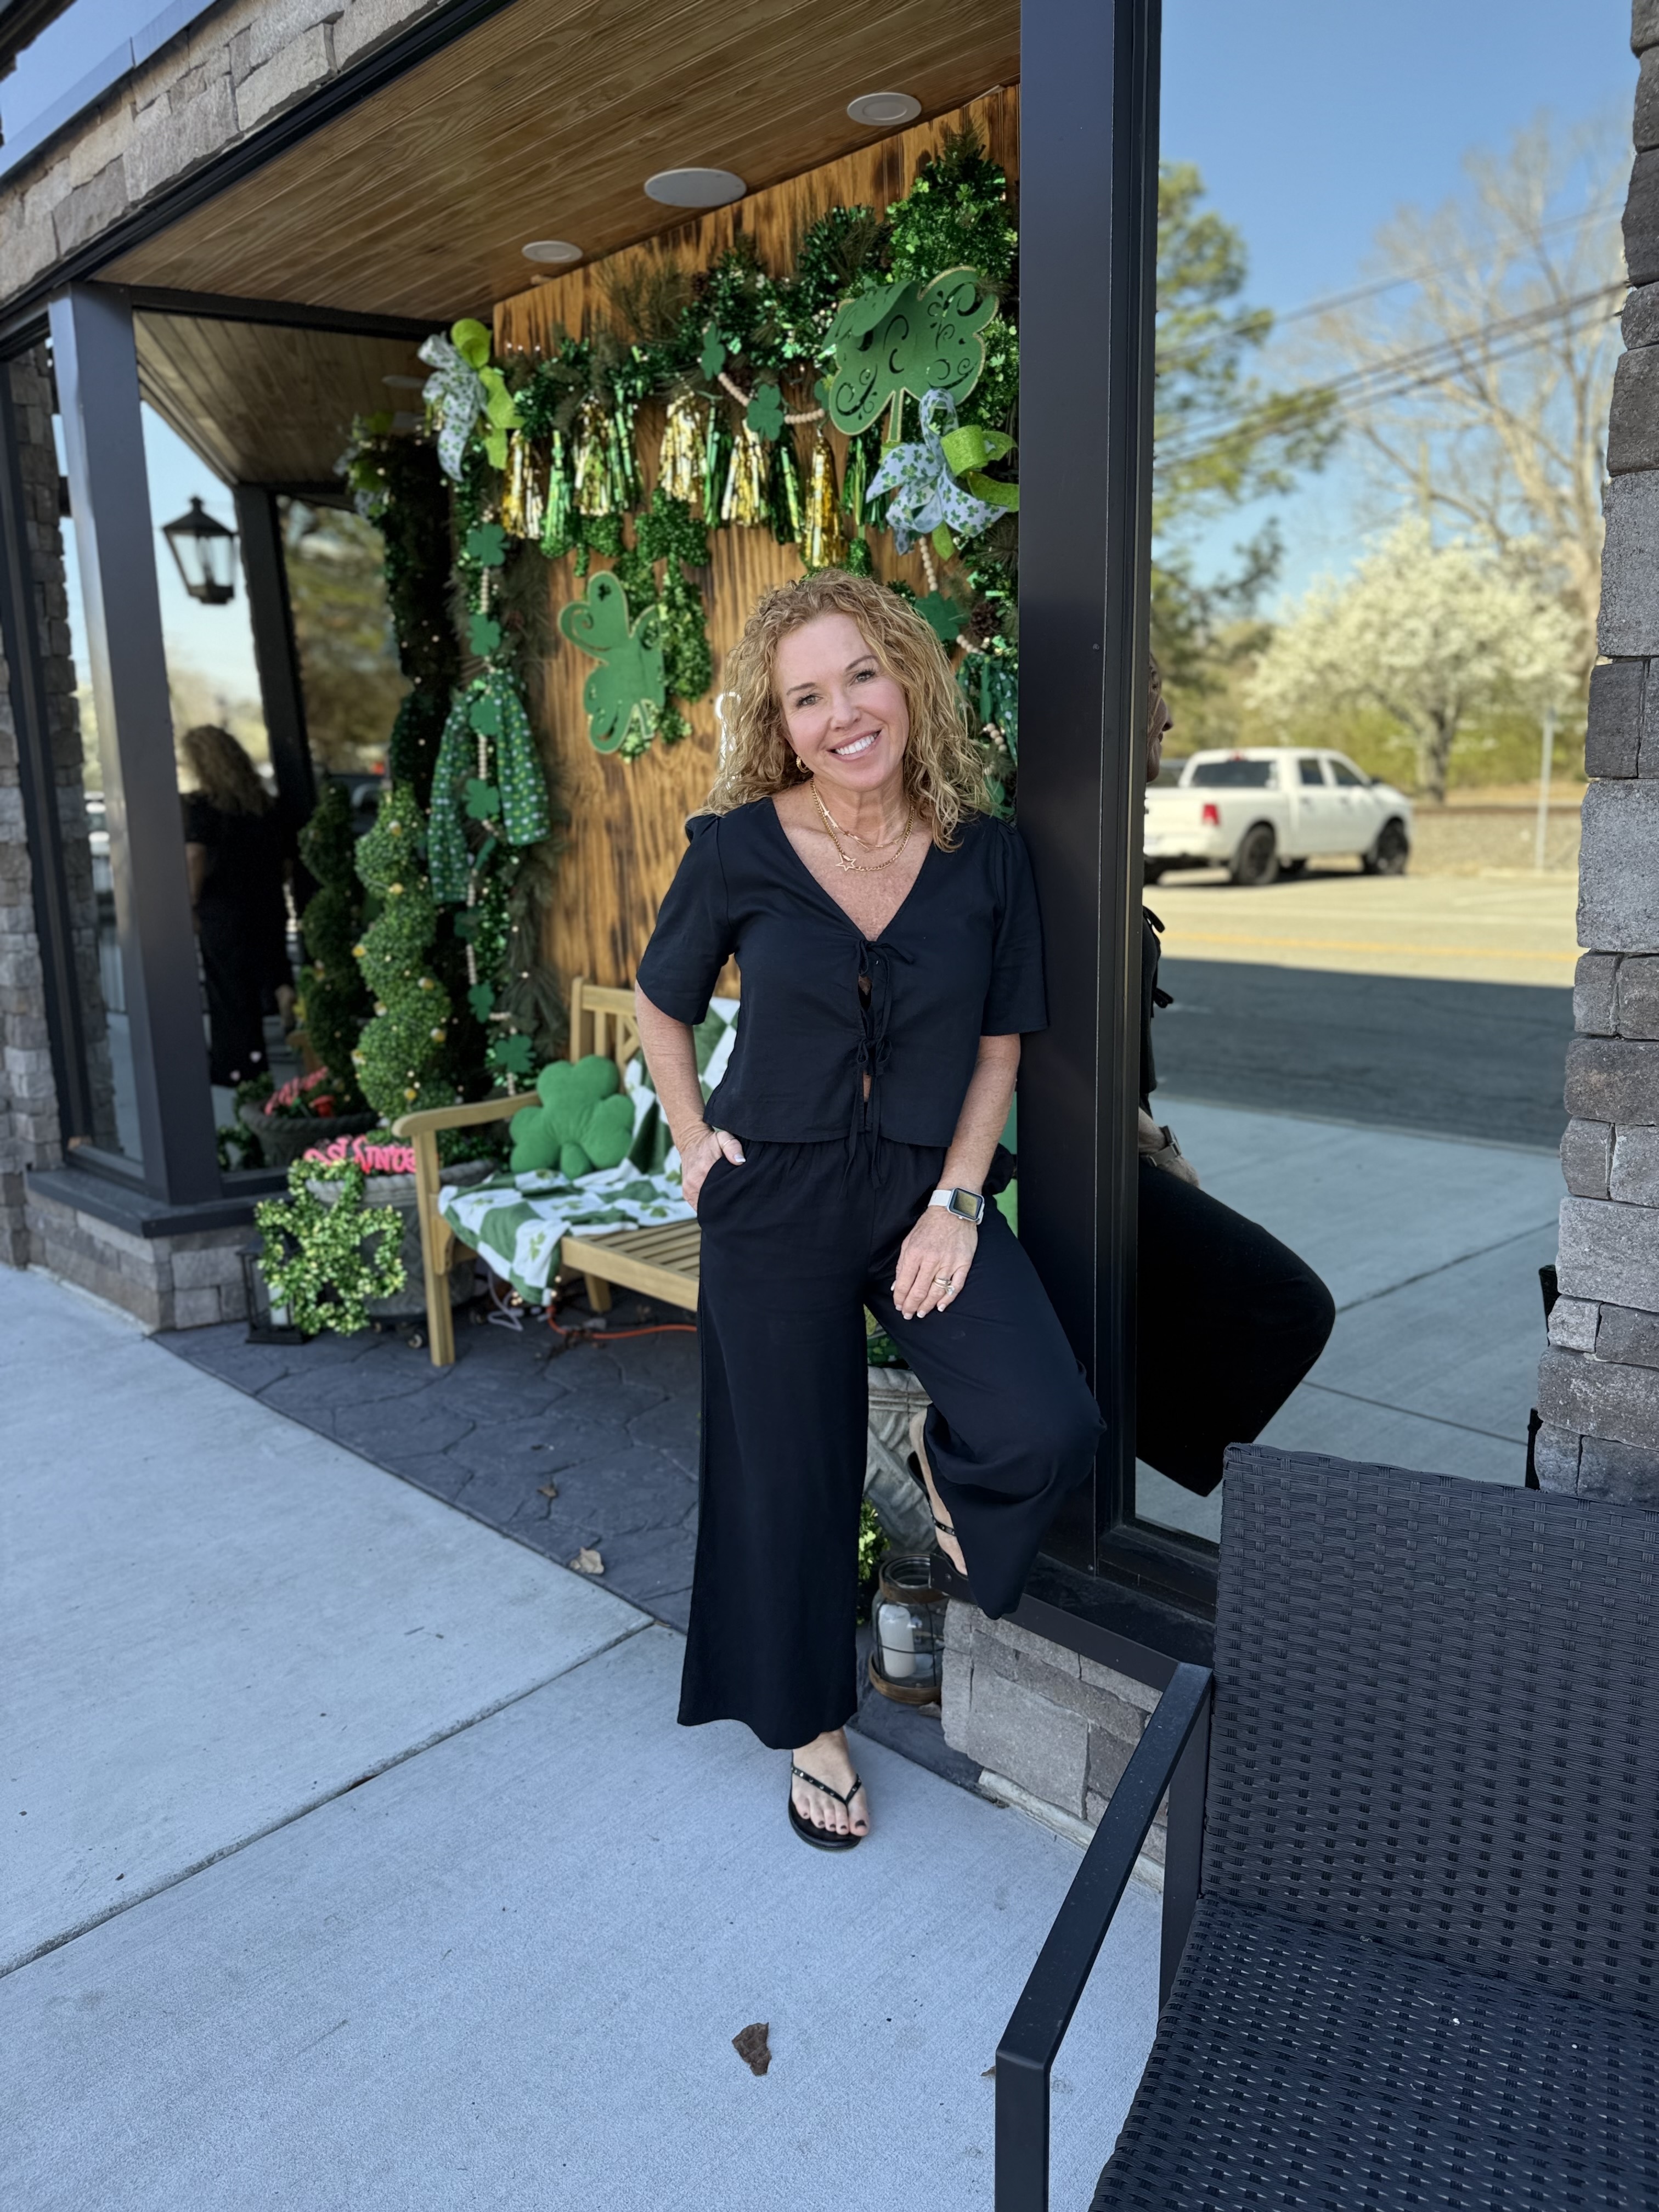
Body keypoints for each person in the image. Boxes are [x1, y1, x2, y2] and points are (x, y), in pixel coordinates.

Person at [634, 571, 1103, 1851]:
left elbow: (999, 1049)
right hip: (773, 1200)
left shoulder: (984, 855)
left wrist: (957, 1201)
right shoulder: (737, 847)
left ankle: (952, 1482)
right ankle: (813, 1728)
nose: (842, 713)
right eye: (807, 697)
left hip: (919, 1194)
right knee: (787, 1481)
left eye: (861, 676)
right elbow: (663, 1003)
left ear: (907, 680)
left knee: (1046, 1423)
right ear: (780, 725)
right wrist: (694, 1140)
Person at [1134, 662, 1336, 1494]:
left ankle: (1086, 1442)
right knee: (1289, 1303)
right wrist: (1156, 1148)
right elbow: (1060, 1049)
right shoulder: (1072, 839)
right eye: (1154, 691)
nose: (1171, 719)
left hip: (1121, 1136)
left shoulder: (1116, 827)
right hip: (1081, 1154)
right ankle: (1069, 1435)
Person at [179, 725, 294, 1088]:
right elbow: (286, 862)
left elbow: (195, 856)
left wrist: (190, 902)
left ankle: (238, 1067)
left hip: (224, 908)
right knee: (270, 967)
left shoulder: (202, 807)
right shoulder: (264, 805)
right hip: (267, 902)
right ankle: (284, 994)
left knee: (229, 990)